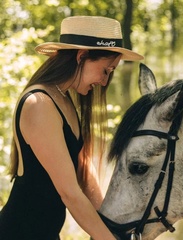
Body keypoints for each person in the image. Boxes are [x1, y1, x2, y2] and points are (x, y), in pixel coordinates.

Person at [0, 16, 143, 240]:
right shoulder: (39, 104)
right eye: (105, 70)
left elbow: (83, 173)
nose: (105, 82)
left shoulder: (63, 99)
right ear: (81, 56)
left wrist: (112, 224)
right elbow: (70, 194)